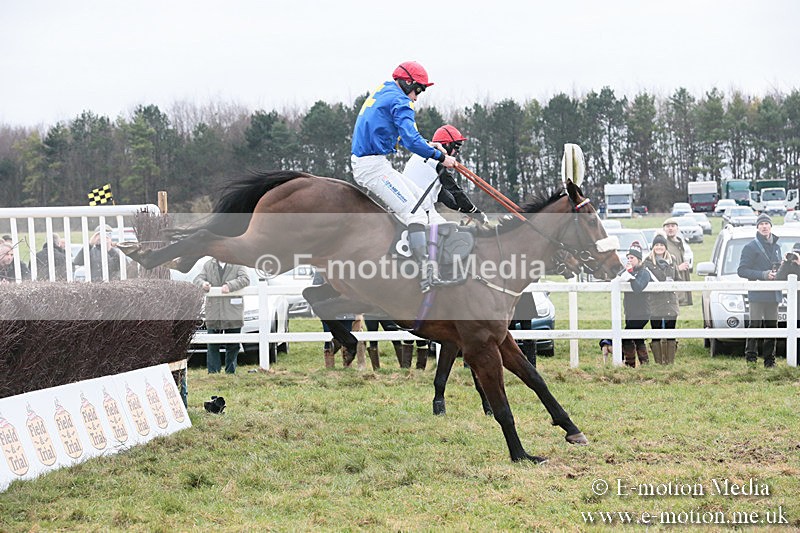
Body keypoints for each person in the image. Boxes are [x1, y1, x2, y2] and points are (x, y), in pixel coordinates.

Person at [351, 61, 457, 293]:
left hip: (376, 162)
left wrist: (428, 145)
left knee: (425, 203)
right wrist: (441, 157)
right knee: (415, 213)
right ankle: (426, 275)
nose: (417, 97)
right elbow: (410, 141)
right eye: (418, 90)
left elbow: (391, 131)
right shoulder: (401, 101)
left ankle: (447, 254)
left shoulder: (385, 89)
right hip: (372, 166)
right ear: (407, 82)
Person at [402, 124, 488, 226]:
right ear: (447, 144)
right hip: (417, 209)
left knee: (447, 228)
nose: (457, 152)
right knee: (449, 231)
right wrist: (477, 214)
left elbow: (444, 196)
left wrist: (465, 210)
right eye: (456, 147)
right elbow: (456, 191)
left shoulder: (421, 155)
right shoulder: (437, 161)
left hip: (411, 204)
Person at [737, 214, 781, 368]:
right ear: (757, 227)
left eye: (766, 224)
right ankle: (751, 359)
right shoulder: (750, 247)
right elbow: (742, 271)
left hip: (774, 293)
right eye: (761, 224)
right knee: (754, 325)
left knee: (772, 327)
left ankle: (770, 360)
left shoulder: (777, 246)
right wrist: (763, 275)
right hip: (757, 293)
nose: (764, 226)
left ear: (770, 226)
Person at [194, 258, 250, 374]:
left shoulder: (238, 262)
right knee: (212, 345)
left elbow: (245, 279)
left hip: (233, 312)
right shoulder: (208, 265)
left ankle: (230, 372)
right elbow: (197, 279)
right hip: (213, 311)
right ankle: (213, 373)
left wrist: (230, 285)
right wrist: (203, 284)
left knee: (233, 345)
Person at [643, 233, 679, 364]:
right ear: (653, 247)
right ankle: (659, 362)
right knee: (656, 330)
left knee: (671, 330)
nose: (659, 247)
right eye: (657, 245)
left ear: (665, 247)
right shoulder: (647, 262)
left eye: (661, 245)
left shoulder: (672, 260)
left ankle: (669, 362)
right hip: (655, 301)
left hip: (670, 301)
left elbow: (677, 278)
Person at [621, 241, 650, 367]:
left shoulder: (644, 273)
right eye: (628, 258)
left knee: (627, 335)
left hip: (642, 312)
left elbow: (638, 288)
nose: (629, 260)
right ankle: (645, 363)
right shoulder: (627, 271)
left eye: (632, 258)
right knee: (638, 336)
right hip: (630, 311)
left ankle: (630, 364)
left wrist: (631, 274)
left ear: (638, 259)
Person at [776, 241, 800, 358]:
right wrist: (785, 263)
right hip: (795, 306)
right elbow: (779, 279)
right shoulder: (790, 265)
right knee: (794, 331)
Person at [662, 218, 693, 306]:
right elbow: (659, 266)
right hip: (669, 285)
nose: (670, 228)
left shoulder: (680, 243)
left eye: (673, 226)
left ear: (677, 229)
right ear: (664, 229)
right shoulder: (663, 245)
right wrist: (678, 268)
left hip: (680, 282)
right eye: (667, 226)